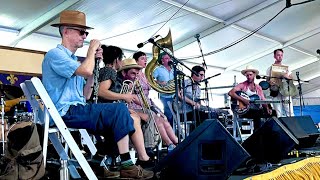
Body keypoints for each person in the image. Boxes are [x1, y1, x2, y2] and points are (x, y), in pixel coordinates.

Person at [42, 10, 153, 179]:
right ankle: (127, 165)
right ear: (66, 31)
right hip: (65, 111)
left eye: (86, 33)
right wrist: (91, 51)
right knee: (120, 110)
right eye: (81, 32)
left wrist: (93, 67)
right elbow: (85, 70)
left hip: (76, 108)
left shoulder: (73, 61)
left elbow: (86, 94)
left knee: (121, 116)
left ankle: (97, 161)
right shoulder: (55, 54)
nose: (85, 36)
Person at [97, 45, 154, 168]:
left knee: (135, 118)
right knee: (134, 119)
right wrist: (124, 97)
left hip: (107, 109)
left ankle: (138, 157)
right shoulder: (109, 71)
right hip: (106, 110)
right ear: (117, 59)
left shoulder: (106, 71)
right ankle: (141, 157)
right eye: (121, 58)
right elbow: (101, 92)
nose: (122, 61)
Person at [132, 52, 178, 150]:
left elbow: (152, 84)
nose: (145, 60)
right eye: (142, 59)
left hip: (148, 103)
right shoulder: (133, 75)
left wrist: (161, 83)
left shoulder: (145, 75)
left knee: (164, 118)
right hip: (138, 105)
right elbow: (133, 94)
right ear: (136, 61)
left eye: (145, 58)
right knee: (158, 120)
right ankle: (170, 144)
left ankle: (177, 142)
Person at [228, 65, 272, 131]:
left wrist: (267, 108)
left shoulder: (258, 87)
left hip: (256, 110)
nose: (249, 77)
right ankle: (256, 135)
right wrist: (243, 100)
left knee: (272, 113)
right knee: (257, 114)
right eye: (247, 75)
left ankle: (268, 133)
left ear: (254, 75)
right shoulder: (242, 85)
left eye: (250, 75)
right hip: (243, 111)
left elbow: (263, 100)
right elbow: (231, 93)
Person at [266, 49, 294, 117]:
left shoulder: (286, 68)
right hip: (275, 91)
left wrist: (286, 76)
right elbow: (267, 80)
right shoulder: (270, 68)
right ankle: (280, 127)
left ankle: (292, 126)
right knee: (278, 112)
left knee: (289, 110)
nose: (280, 57)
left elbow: (291, 78)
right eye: (278, 55)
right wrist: (270, 82)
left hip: (285, 91)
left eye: (281, 55)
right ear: (274, 56)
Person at [153, 52, 174, 126]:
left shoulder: (173, 69)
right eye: (166, 58)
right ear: (162, 60)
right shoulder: (158, 69)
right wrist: (160, 82)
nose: (169, 60)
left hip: (175, 96)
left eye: (169, 58)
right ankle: (170, 132)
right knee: (169, 115)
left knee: (175, 116)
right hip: (165, 96)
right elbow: (150, 80)